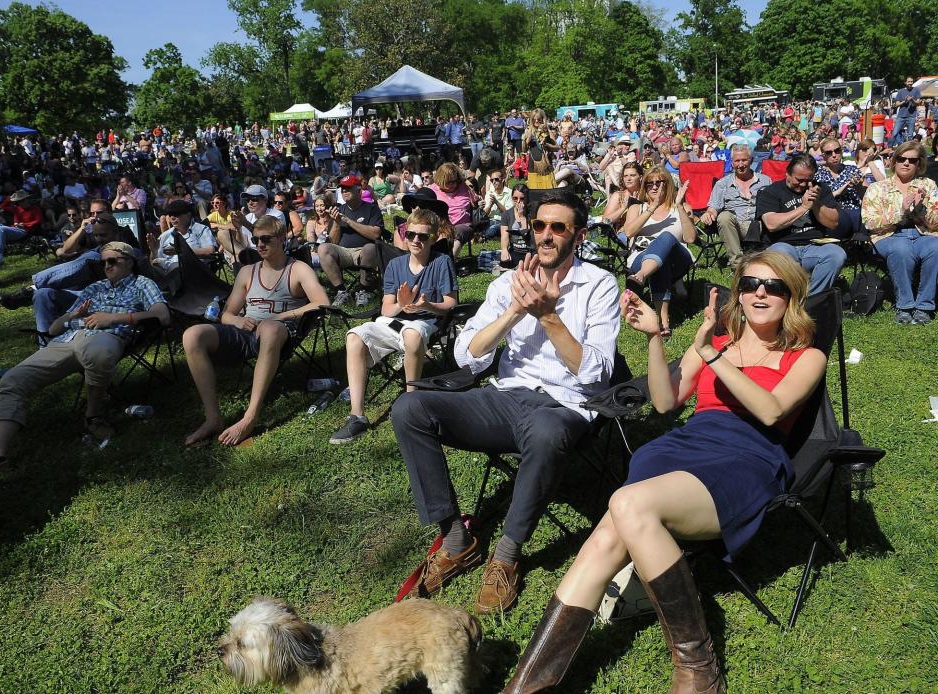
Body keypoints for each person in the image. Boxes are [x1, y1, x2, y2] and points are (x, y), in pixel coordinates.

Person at [503, 251, 826, 694]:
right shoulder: (721, 343)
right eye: (750, 284)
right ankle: (527, 686)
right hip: (683, 448)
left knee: (623, 509)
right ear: (739, 293)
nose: (760, 294)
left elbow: (770, 412)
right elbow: (665, 401)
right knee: (611, 531)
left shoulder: (805, 356)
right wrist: (656, 337)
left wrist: (709, 354)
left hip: (744, 461)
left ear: (792, 297)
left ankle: (699, 666)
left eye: (774, 286)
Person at [391, 192, 622, 615]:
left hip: (564, 405)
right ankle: (455, 538)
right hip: (505, 397)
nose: (546, 235)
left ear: (579, 235)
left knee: (548, 431)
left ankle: (507, 555)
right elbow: (467, 354)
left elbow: (597, 373)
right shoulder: (506, 284)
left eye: (558, 227)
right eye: (539, 226)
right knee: (409, 408)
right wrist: (515, 311)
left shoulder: (600, 286)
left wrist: (548, 315)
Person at [0, 242, 170, 477]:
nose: (106, 266)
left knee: (98, 354)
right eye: (103, 263)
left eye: (112, 261)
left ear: (129, 261)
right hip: (67, 339)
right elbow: (52, 329)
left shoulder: (143, 283)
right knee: (12, 379)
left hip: (106, 335)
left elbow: (163, 315)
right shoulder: (94, 287)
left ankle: (93, 415)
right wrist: (73, 314)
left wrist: (114, 318)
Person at [182, 216, 330, 447]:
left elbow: (322, 302)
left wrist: (282, 316)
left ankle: (250, 417)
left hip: (279, 332)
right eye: (255, 239)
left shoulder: (297, 269)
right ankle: (213, 418)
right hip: (246, 331)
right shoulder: (247, 272)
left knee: (270, 328)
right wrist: (238, 322)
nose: (259, 244)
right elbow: (228, 314)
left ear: (281, 239)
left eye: (266, 239)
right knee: (192, 335)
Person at [330, 208, 458, 444]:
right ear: (405, 234)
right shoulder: (395, 265)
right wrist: (402, 303)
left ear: (433, 237)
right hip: (393, 321)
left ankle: (411, 405)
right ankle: (357, 415)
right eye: (411, 235)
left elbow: (451, 303)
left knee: (412, 334)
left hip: (426, 322)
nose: (416, 240)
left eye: (423, 236)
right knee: (354, 336)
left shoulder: (442, 262)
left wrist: (427, 305)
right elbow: (386, 309)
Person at [861, 140, 938, 325]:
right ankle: (905, 306)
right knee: (901, 249)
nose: (906, 163)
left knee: (936, 248)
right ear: (894, 161)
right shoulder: (877, 188)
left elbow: (936, 223)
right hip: (889, 236)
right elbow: (869, 222)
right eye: (902, 158)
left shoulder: (928, 185)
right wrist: (901, 212)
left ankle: (924, 306)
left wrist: (921, 209)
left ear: (919, 163)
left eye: (912, 160)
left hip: (924, 234)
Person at [755, 153, 845, 295]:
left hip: (814, 245)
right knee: (781, 253)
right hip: (782, 244)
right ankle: (792, 297)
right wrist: (803, 208)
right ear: (788, 174)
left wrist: (816, 204)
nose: (803, 184)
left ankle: (812, 299)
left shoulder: (820, 189)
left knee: (837, 254)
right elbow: (771, 224)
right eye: (799, 179)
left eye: (808, 180)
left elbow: (833, 223)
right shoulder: (771, 191)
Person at [623, 167, 696, 338]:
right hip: (641, 257)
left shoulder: (681, 207)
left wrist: (678, 206)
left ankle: (640, 277)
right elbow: (629, 232)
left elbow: (691, 239)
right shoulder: (637, 208)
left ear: (668, 184)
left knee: (666, 237)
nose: (654, 187)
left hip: (678, 259)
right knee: (658, 262)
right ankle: (664, 323)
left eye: (659, 182)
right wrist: (652, 207)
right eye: (649, 183)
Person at [315, 174, 385, 307]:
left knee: (370, 248)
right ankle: (341, 291)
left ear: (359, 190)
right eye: (342, 189)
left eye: (348, 188)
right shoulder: (339, 210)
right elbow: (333, 242)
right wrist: (336, 223)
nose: (344, 192)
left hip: (364, 253)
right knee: (323, 248)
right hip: (344, 252)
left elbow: (376, 234)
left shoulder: (372, 208)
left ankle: (364, 290)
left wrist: (348, 221)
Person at [702, 144, 773, 267]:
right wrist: (709, 213)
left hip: (759, 226)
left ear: (750, 160)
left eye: (744, 160)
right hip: (734, 227)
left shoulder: (765, 181)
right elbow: (713, 207)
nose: (741, 165)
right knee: (723, 216)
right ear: (732, 162)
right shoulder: (722, 184)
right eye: (737, 161)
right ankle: (737, 264)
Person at [814, 137, 864, 238]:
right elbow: (820, 199)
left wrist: (858, 186)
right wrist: (842, 189)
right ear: (823, 156)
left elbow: (866, 195)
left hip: (854, 210)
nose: (834, 155)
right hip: (832, 212)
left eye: (837, 151)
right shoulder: (817, 174)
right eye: (829, 153)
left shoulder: (852, 170)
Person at [0, 189, 43, 267]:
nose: (23, 202)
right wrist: (9, 198)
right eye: (21, 201)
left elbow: (38, 220)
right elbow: (2, 206)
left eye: (25, 200)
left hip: (23, 231)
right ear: (18, 202)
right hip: (13, 228)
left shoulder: (35, 209)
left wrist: (25, 224)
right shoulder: (16, 208)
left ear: (28, 200)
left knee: (0, 229)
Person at [428, 162, 476, 257]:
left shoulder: (464, 187)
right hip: (440, 225)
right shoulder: (432, 190)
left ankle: (448, 263)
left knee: (456, 233)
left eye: (455, 181)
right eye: (449, 182)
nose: (453, 184)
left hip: (462, 225)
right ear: (441, 180)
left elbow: (476, 201)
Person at [498, 184, 534, 268]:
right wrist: (504, 250)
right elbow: (504, 235)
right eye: (515, 198)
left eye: (522, 198)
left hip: (530, 251)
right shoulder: (507, 214)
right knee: (504, 263)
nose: (518, 201)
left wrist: (522, 217)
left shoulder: (532, 213)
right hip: (515, 250)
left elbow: (528, 236)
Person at [601, 161, 643, 231]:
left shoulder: (646, 195)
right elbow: (605, 221)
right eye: (625, 176)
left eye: (632, 175)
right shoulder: (618, 196)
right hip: (624, 233)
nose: (628, 179)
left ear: (640, 178)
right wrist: (623, 208)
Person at [481, 168, 512, 240]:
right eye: (492, 180)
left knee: (492, 229)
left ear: (502, 179)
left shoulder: (509, 193)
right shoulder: (489, 194)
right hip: (490, 221)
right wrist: (490, 205)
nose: (494, 182)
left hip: (502, 221)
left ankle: (484, 237)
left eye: (496, 179)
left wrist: (496, 202)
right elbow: (484, 214)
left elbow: (508, 213)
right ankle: (485, 236)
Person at [891, 77, 921, 146]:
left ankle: (909, 148)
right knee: (895, 133)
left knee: (910, 135)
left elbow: (918, 102)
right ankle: (901, 145)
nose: (910, 83)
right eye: (909, 82)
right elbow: (896, 104)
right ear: (905, 82)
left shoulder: (916, 90)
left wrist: (912, 99)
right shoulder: (901, 91)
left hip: (911, 116)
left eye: (911, 81)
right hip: (901, 116)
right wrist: (905, 101)